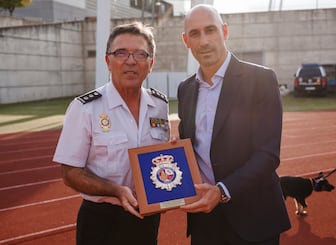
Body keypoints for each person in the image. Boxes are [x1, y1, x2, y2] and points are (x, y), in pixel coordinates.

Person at [177, 4, 291, 245]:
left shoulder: (261, 79)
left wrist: (222, 191)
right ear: (186, 40)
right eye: (195, 34)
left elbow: (268, 154)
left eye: (211, 30)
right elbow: (190, 149)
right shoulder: (185, 89)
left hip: (254, 219)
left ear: (225, 32)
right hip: (205, 220)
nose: (204, 41)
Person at [53, 22, 169, 245]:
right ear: (108, 61)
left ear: (151, 64)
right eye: (121, 53)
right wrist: (115, 190)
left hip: (148, 216)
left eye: (140, 54)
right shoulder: (85, 107)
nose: (130, 61)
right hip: (102, 220)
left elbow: (160, 157)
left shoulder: (159, 105)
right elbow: (69, 173)